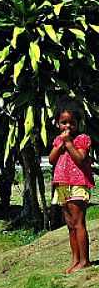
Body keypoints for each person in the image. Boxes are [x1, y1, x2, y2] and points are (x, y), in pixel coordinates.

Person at [49, 106, 94, 273]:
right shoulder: (58, 141)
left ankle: (85, 260)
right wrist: (60, 145)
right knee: (69, 224)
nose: (67, 126)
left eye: (71, 123)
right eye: (63, 123)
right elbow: (53, 159)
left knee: (78, 222)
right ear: (57, 124)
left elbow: (80, 159)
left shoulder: (82, 139)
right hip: (62, 184)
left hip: (77, 184)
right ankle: (75, 259)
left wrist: (68, 143)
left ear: (78, 124)